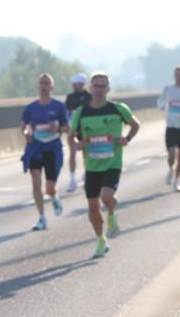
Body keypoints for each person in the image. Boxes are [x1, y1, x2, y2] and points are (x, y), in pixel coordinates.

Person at [70, 72, 140, 259]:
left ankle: (111, 213)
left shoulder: (118, 109)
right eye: (96, 86)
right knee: (92, 208)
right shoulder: (82, 112)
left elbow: (135, 124)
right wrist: (79, 143)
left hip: (112, 163)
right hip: (92, 165)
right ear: (91, 88)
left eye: (103, 86)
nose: (99, 90)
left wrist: (127, 138)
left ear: (108, 89)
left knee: (106, 196)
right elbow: (73, 134)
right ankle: (101, 239)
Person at [20, 73, 70, 230]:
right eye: (41, 83)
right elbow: (23, 126)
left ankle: (54, 196)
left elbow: (67, 128)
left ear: (52, 87)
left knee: (49, 188)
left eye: (47, 83)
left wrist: (58, 129)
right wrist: (26, 134)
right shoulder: (31, 108)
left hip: (52, 149)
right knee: (36, 185)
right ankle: (42, 218)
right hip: (35, 148)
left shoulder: (59, 107)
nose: (44, 86)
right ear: (38, 86)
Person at [64, 73, 92, 194]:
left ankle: (86, 174)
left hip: (86, 128)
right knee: (72, 152)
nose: (73, 84)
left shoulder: (89, 97)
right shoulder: (70, 97)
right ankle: (72, 179)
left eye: (75, 82)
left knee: (86, 152)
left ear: (81, 84)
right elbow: (66, 112)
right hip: (73, 128)